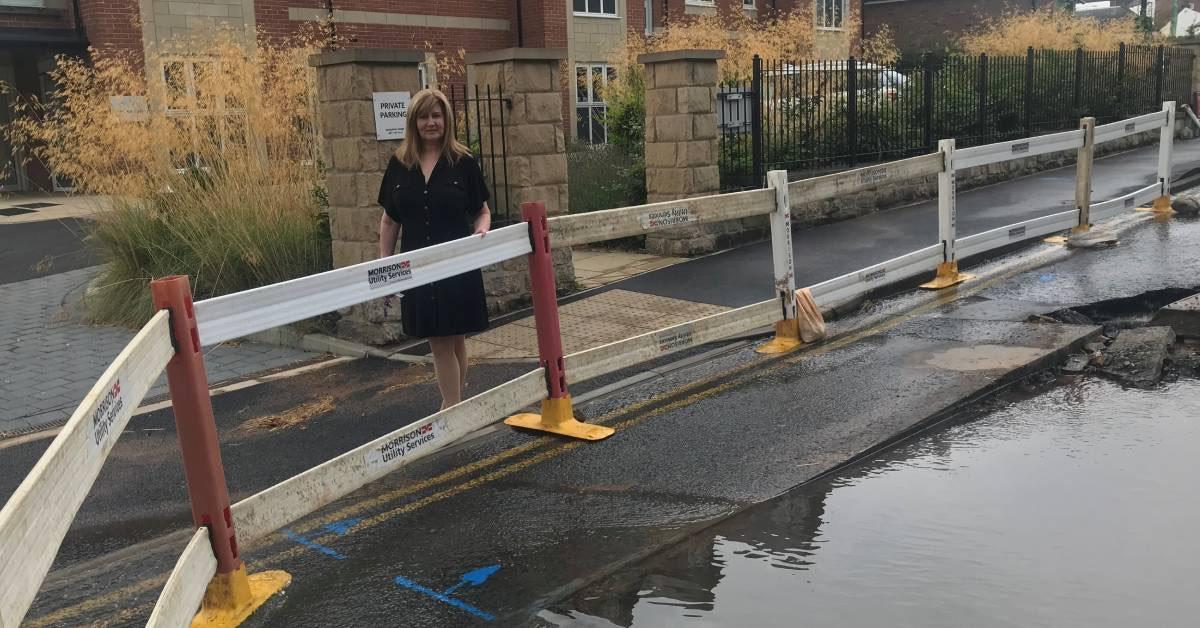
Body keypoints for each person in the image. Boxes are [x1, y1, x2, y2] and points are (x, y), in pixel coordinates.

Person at [377, 88, 491, 410]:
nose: (431, 122)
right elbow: (389, 221)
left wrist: (481, 228)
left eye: (437, 116)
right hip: (419, 269)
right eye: (424, 116)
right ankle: (453, 408)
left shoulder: (463, 161)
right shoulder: (399, 164)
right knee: (440, 341)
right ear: (414, 122)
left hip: (457, 266)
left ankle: (450, 412)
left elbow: (482, 210)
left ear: (446, 120)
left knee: (454, 340)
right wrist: (385, 263)